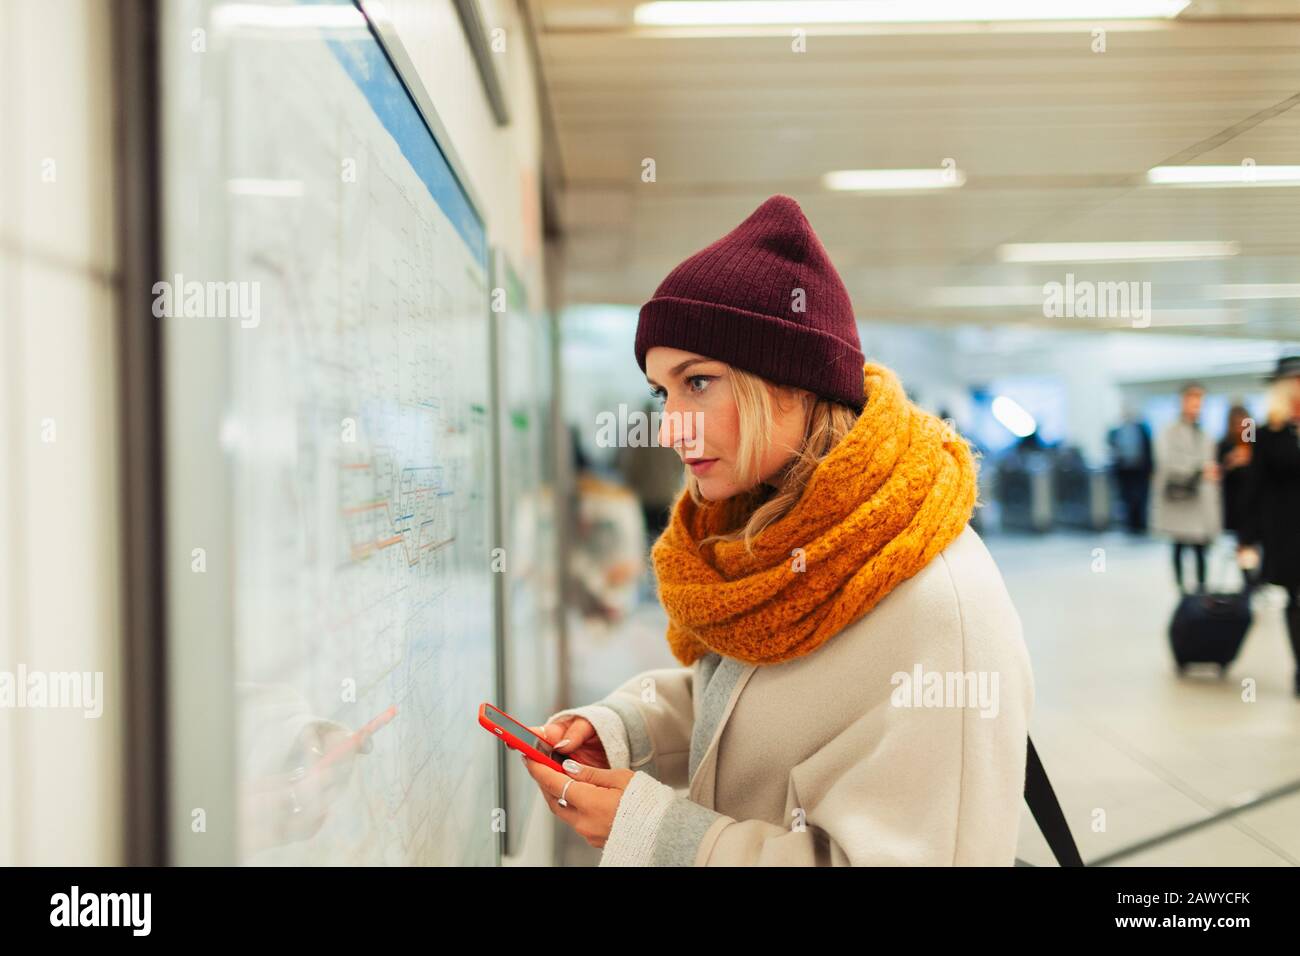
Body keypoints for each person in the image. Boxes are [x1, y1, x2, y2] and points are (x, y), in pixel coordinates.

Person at [521, 194, 1034, 865]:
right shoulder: (770, 538)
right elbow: (750, 699)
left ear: (792, 383)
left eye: (698, 382)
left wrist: (656, 833)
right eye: (662, 392)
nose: (671, 426)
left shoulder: (934, 606)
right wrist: (622, 731)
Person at [1236, 355, 1300, 696]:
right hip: (1288, 531)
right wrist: (1246, 538)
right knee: (1296, 598)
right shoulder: (1268, 432)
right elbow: (1254, 486)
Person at [1151, 382, 1222, 593]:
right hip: (1179, 499)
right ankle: (1182, 591)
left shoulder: (1204, 433)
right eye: (1192, 401)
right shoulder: (1169, 432)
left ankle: (1201, 591)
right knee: (1180, 545)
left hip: (1200, 501)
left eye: (1200, 402)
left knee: (1200, 548)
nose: (1196, 406)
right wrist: (1199, 471)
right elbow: (1167, 463)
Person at [1107, 407, 1153, 534]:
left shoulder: (1142, 429)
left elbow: (1149, 449)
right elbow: (1112, 448)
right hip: (1124, 471)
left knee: (1141, 497)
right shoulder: (1116, 431)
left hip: (1140, 471)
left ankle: (1141, 524)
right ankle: (1130, 525)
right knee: (1127, 498)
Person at [1216, 402, 1254, 540]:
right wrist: (1230, 463)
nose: (1240, 428)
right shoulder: (1224, 445)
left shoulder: (1255, 444)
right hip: (1232, 500)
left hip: (1252, 501)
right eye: (1236, 423)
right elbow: (1218, 473)